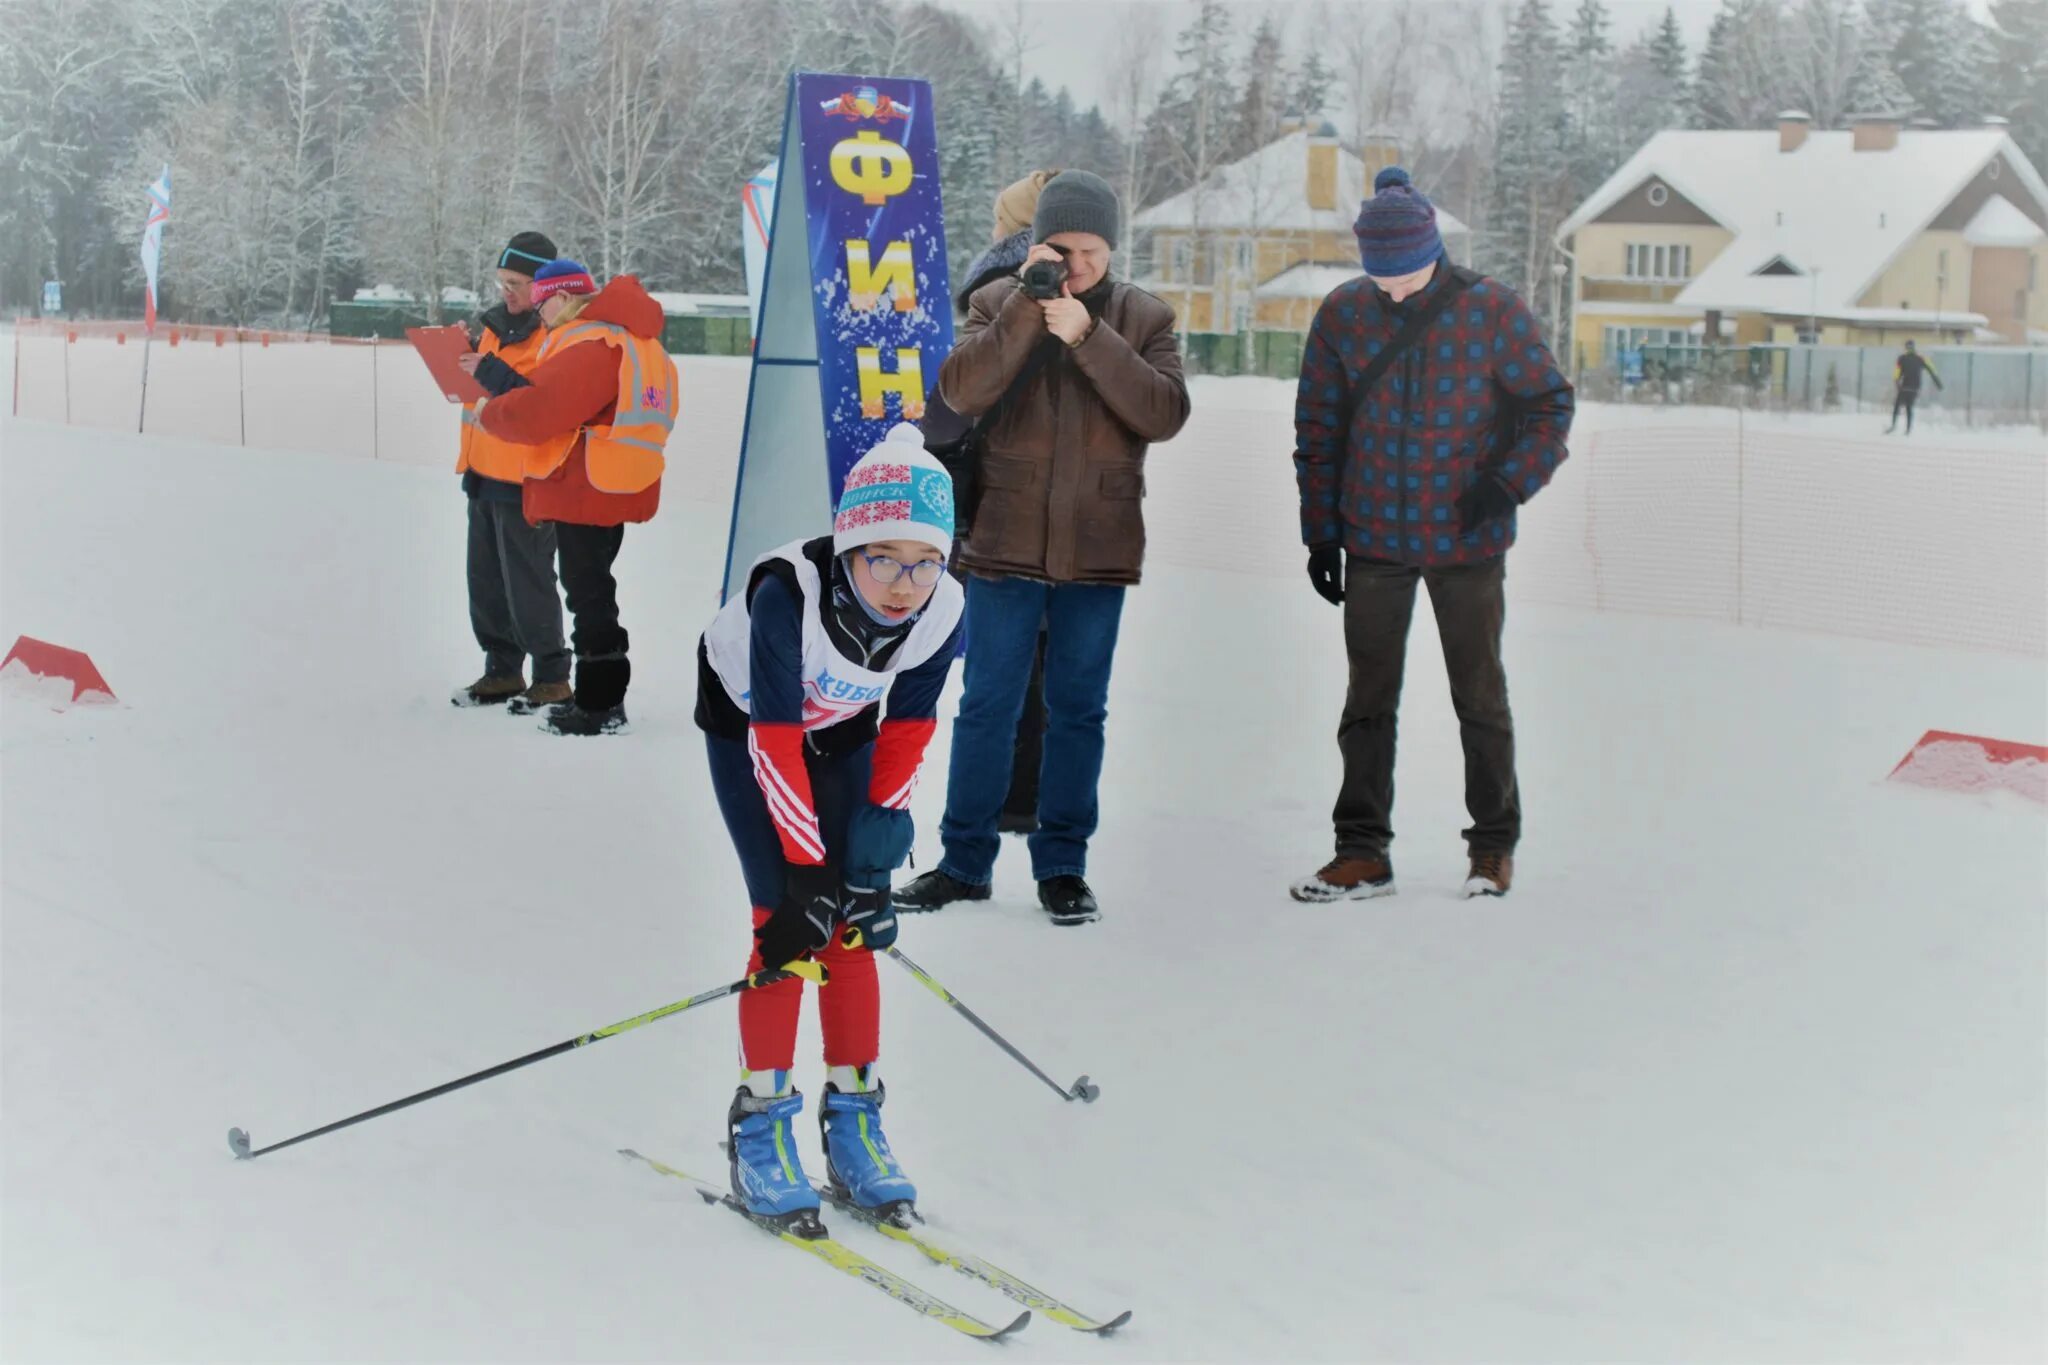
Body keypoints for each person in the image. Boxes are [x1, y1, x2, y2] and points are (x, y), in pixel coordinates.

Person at [895, 169, 1189, 926]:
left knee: (1078, 711)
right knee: (987, 705)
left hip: (1098, 545)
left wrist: (1090, 338)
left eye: (1093, 250)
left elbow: (1162, 413)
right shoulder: (995, 302)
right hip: (1004, 540)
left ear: (1111, 250)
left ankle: (1062, 865)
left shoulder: (1145, 316)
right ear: (1035, 244)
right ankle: (963, 861)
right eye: (1063, 247)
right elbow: (958, 391)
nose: (1078, 264)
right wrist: (1029, 311)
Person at [695, 423, 964, 1230]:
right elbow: (774, 744)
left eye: (925, 560)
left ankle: (853, 1120)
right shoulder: (787, 593)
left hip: (842, 726)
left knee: (851, 925)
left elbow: (909, 733)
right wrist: (806, 874)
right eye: (884, 557)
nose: (904, 583)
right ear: (849, 544)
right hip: (750, 724)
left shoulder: (944, 608)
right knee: (783, 918)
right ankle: (760, 1120)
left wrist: (869, 865)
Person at [1289, 166, 1573, 903]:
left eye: (1407, 274)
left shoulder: (1491, 311)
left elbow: (1549, 405)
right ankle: (1361, 851)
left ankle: (1491, 847)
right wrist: (1322, 535)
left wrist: (1506, 483)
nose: (1394, 290)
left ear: (1433, 252)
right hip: (1375, 536)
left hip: (1468, 541)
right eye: (1380, 277)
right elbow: (1317, 431)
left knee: (1479, 695)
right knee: (1367, 700)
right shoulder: (1345, 315)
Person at [474, 258, 673, 736]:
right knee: (594, 591)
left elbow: (544, 410)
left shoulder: (590, 341)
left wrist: (491, 414)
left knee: (589, 595)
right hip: (618, 480)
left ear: (563, 299)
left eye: (542, 304)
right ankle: (598, 697)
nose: (539, 316)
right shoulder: (636, 340)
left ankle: (601, 706)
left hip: (588, 485)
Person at [954, 169, 1058, 836]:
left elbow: (964, 402)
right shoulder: (1089, 292)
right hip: (1057, 507)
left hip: (1001, 503)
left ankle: (996, 804)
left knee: (999, 674)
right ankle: (1028, 795)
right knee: (1045, 668)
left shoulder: (996, 290)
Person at [450, 231, 571, 712]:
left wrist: (487, 368)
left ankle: (551, 676)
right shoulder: (494, 328)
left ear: (541, 286)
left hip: (527, 479)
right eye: (502, 281)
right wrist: (461, 356)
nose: (507, 291)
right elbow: (485, 387)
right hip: (482, 469)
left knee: (530, 582)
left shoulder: (556, 333)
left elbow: (537, 399)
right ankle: (501, 669)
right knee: (485, 581)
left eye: (516, 282)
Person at [1885, 340, 1942, 434]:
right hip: (1915, 387)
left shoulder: (1902, 358)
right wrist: (1938, 383)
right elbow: (1932, 369)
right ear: (1914, 347)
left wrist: (1897, 383)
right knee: (1909, 407)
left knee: (1897, 405)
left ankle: (1893, 425)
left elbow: (1897, 372)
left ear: (1906, 347)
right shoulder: (1921, 358)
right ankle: (1908, 429)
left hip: (1904, 386)